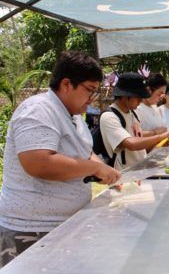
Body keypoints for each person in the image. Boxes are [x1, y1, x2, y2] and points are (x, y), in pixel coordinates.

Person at [0, 51, 121, 267]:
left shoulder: (74, 116)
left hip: (63, 226)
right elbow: (39, 163)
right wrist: (93, 168)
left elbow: (84, 151)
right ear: (67, 84)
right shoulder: (38, 110)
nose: (93, 98)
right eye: (90, 90)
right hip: (32, 231)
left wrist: (102, 168)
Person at [100, 73, 169, 170]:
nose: (141, 100)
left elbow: (140, 147)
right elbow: (131, 144)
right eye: (138, 96)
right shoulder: (109, 117)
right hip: (124, 174)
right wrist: (160, 136)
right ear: (125, 96)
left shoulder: (132, 114)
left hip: (140, 170)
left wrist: (160, 143)